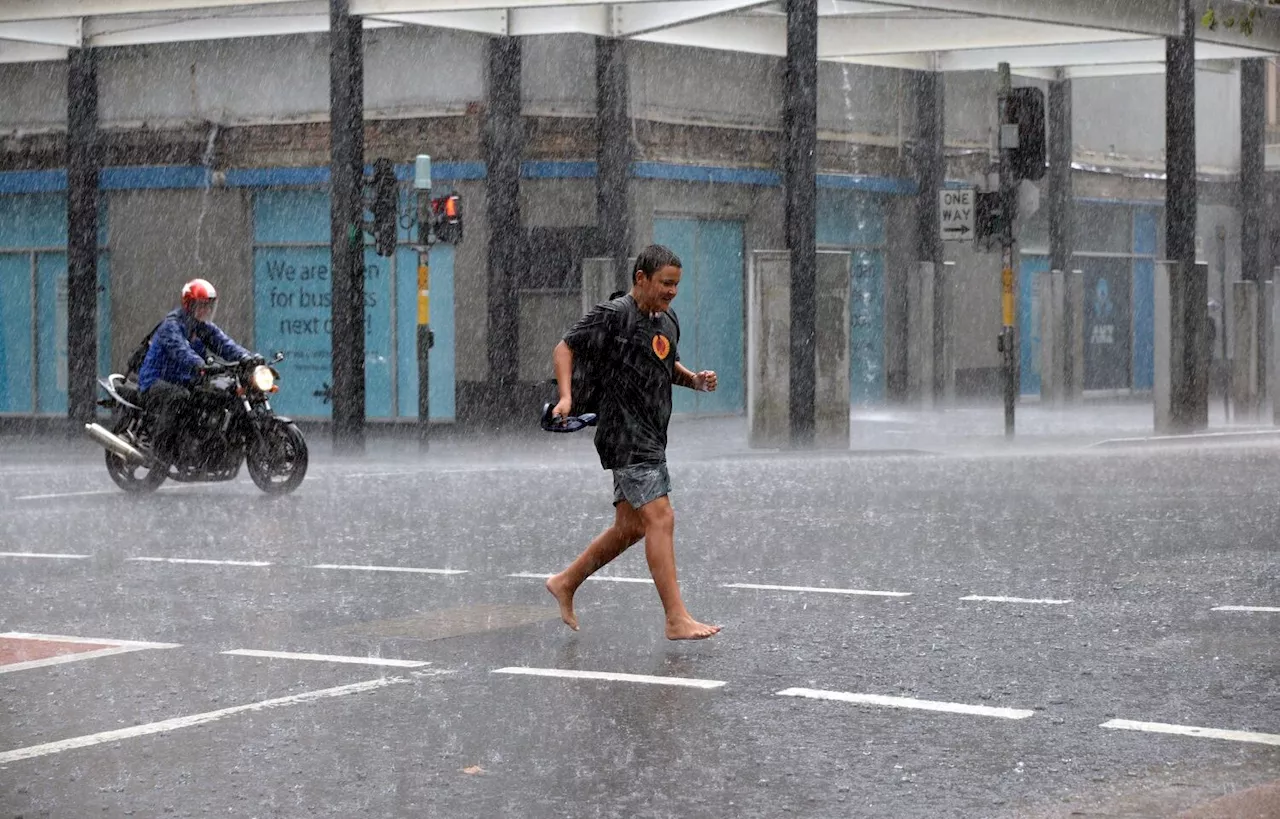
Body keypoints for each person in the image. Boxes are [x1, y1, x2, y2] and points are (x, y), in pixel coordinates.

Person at [545, 245, 722, 641]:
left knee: (630, 527)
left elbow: (662, 362)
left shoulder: (667, 320)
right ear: (640, 279)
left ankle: (566, 582)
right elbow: (565, 348)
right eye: (665, 283)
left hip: (652, 433)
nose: (672, 291)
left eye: (676, 284)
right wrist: (566, 397)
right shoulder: (614, 315)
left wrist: (693, 379)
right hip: (624, 433)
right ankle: (676, 618)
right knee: (661, 517)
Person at [137, 278, 258, 465]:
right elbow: (180, 349)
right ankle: (159, 449)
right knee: (178, 397)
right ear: (189, 305)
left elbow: (225, 344)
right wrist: (199, 363)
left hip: (186, 379)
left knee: (216, 395)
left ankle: (202, 441)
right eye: (202, 305)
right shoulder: (172, 326)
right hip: (156, 380)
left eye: (209, 306)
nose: (206, 310)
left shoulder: (203, 328)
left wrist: (247, 357)